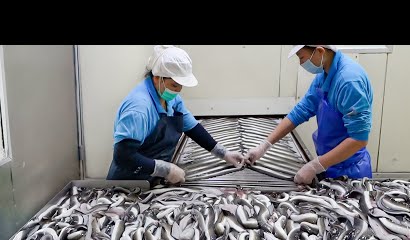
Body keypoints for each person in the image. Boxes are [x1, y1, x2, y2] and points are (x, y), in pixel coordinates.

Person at [107, 45, 244, 184]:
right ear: (157, 78)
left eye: (181, 85)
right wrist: (166, 170)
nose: (178, 90)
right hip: (128, 184)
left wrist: (223, 153)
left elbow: (192, 128)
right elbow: (123, 156)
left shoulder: (170, 98)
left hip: (154, 179)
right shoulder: (139, 108)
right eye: (174, 85)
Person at [245, 45, 373, 184]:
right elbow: (301, 111)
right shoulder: (325, 74)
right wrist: (264, 146)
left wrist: (315, 166)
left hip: (351, 171)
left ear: (320, 51)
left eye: (302, 58)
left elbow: (359, 139)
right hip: (328, 164)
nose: (301, 64)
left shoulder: (349, 81)